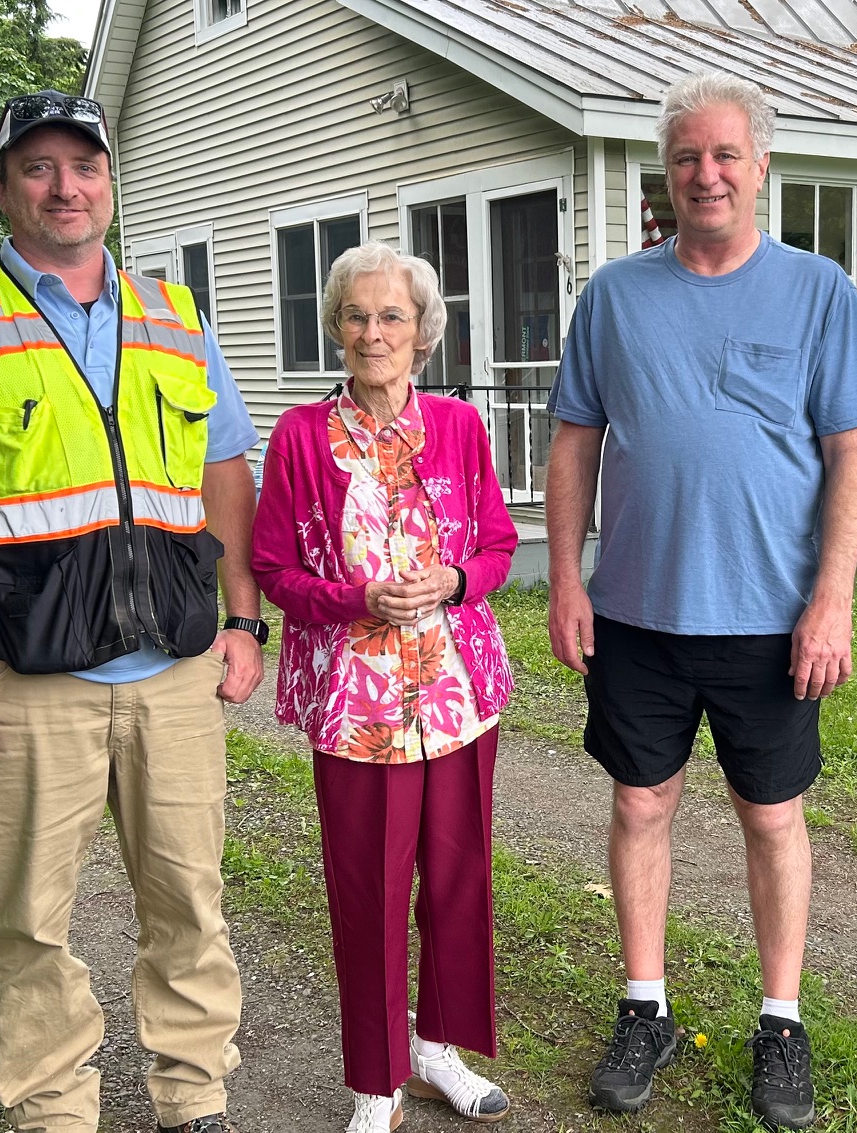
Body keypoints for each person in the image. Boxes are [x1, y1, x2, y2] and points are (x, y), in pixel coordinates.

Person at [0, 91, 263, 1133]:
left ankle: (192, 1099)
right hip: (21, 682)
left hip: (172, 669)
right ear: (4, 188)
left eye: (83, 165)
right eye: (37, 166)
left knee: (190, 905)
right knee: (28, 922)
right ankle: (52, 1110)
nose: (64, 186)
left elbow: (223, 466)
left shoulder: (175, 316)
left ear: (111, 183)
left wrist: (243, 615)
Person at [545, 70, 857, 1129]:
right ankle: (641, 1003)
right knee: (639, 802)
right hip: (639, 614)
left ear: (760, 166)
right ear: (667, 173)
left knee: (770, 814)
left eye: (725, 154)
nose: (706, 173)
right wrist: (564, 575)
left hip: (771, 617)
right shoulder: (613, 295)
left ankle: (778, 1020)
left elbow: (850, 458)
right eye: (688, 156)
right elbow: (574, 444)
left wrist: (830, 598)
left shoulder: (817, 291)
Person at [251, 241, 520, 1133]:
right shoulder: (298, 436)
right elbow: (272, 565)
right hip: (356, 699)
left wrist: (453, 582)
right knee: (366, 886)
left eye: (391, 316)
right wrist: (355, 598)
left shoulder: (457, 426)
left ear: (422, 332)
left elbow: (495, 544)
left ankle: (437, 1046)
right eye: (358, 316)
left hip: (455, 693)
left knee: (455, 872)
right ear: (336, 327)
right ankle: (376, 1078)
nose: (374, 333)